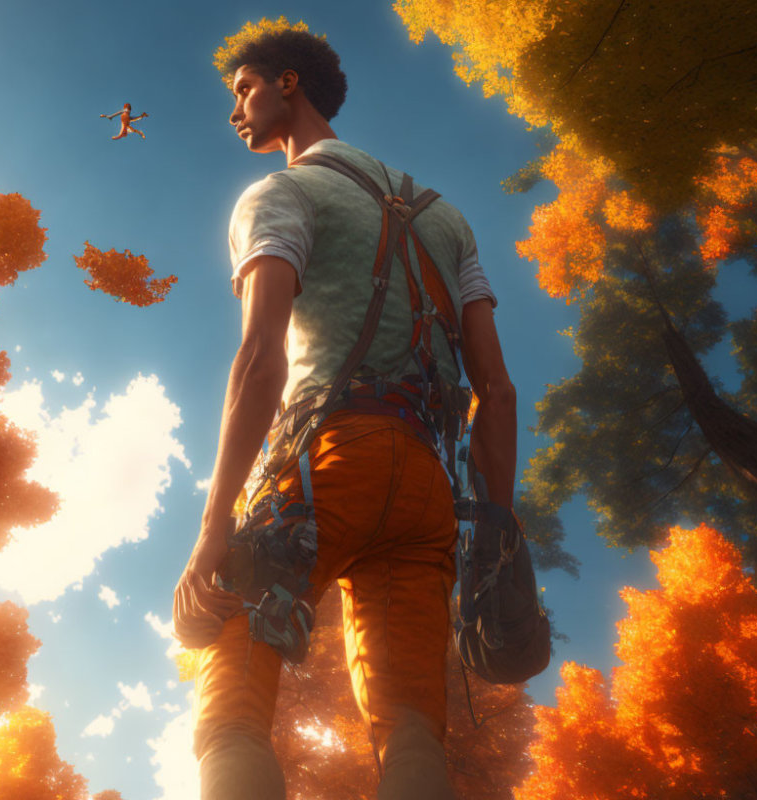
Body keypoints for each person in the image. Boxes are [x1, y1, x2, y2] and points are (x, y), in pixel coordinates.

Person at [173, 27, 517, 800]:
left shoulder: (279, 193)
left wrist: (212, 528)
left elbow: (261, 362)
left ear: (288, 83)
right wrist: (497, 532)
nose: (235, 109)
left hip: (321, 463)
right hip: (426, 492)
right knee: (411, 729)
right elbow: (496, 392)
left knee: (231, 714)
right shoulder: (449, 220)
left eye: (243, 88)